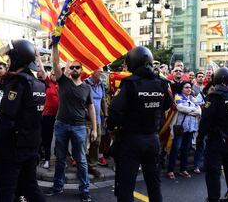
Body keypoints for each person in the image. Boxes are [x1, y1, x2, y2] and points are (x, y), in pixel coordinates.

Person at [0, 39, 46, 202]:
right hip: (31, 144)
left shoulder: (18, 83)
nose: (8, 63)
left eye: (10, 59)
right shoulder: (38, 84)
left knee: (5, 190)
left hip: (14, 147)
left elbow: (6, 118)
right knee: (31, 186)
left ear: (17, 59)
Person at [107, 46, 173, 202]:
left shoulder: (129, 83)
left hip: (131, 140)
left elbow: (115, 111)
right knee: (153, 184)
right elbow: (168, 104)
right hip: (152, 139)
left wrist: (112, 127)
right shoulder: (161, 83)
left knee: (126, 186)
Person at [46, 43, 97, 202]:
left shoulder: (86, 88)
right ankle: (57, 186)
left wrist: (94, 128)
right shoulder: (63, 81)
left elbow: (91, 109)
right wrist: (55, 45)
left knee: (81, 160)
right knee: (60, 158)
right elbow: (55, 64)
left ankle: (85, 190)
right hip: (61, 125)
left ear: (82, 71)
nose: (74, 69)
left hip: (79, 127)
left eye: (77, 67)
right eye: (72, 67)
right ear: (69, 70)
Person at [197, 67, 228, 202]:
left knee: (213, 171)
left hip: (216, 141)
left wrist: (200, 138)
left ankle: (213, 198)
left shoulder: (214, 97)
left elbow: (205, 121)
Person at [166, 81, 201, 179]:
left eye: (190, 87)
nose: (189, 89)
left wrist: (190, 111)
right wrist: (194, 111)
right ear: (182, 89)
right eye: (186, 87)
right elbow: (180, 108)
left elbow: (200, 111)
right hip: (180, 128)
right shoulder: (178, 96)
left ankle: (183, 170)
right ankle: (170, 170)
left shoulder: (193, 98)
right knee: (176, 148)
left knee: (186, 149)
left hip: (191, 128)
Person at [85, 68, 108, 178]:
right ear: (92, 71)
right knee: (83, 143)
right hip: (85, 120)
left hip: (97, 120)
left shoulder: (101, 85)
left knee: (96, 142)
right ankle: (82, 165)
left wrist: (106, 115)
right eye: (99, 71)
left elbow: (103, 101)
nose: (102, 73)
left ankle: (92, 166)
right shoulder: (85, 84)